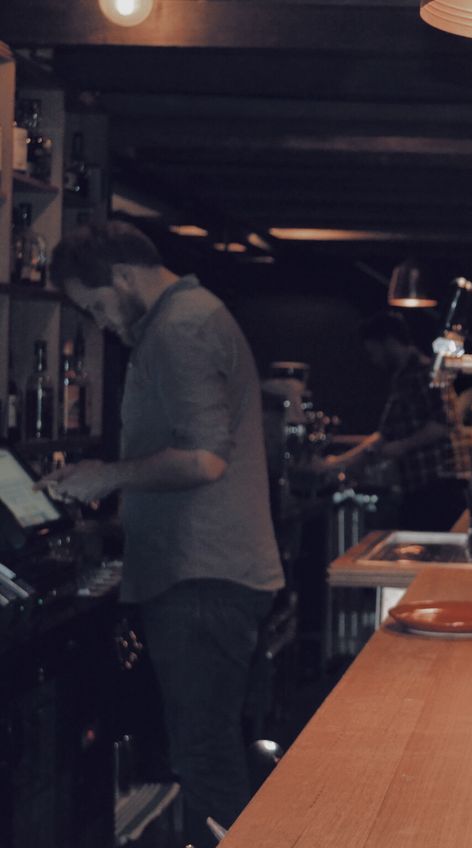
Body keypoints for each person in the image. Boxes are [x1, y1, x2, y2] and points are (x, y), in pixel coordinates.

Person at [39, 222, 284, 848]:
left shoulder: (181, 329)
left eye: (95, 305)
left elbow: (204, 460)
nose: (99, 322)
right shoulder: (186, 321)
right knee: (207, 750)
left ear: (121, 276)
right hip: (208, 574)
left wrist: (105, 476)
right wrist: (115, 521)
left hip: (202, 581)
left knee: (203, 758)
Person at [327, 312, 465, 530]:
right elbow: (385, 434)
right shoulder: (405, 376)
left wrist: (401, 446)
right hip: (422, 487)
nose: (374, 360)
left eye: (374, 352)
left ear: (389, 342)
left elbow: (443, 424)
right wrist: (340, 462)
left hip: (437, 486)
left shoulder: (425, 372)